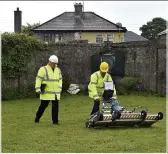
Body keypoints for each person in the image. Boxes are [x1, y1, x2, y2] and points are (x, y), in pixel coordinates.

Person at [34, 55, 62, 125]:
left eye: (55, 63)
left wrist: (60, 87)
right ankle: (37, 117)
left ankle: (55, 121)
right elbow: (38, 79)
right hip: (46, 92)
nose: (54, 65)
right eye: (53, 63)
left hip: (55, 92)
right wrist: (37, 88)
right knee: (43, 106)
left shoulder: (58, 70)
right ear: (49, 62)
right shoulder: (43, 69)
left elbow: (60, 79)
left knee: (55, 107)